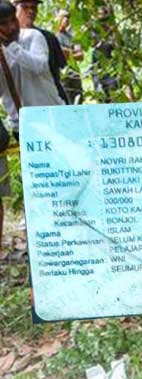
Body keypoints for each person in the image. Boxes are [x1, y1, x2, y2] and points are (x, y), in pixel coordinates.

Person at [0, 0, 64, 252]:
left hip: (52, 116)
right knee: (39, 177)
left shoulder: (33, 36)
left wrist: (10, 46)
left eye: (11, 21)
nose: (9, 27)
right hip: (23, 124)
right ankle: (43, 232)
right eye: (2, 25)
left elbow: (38, 65)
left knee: (63, 173)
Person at [13, 0, 67, 104]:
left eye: (33, 8)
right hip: (20, 106)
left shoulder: (48, 38)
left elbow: (55, 75)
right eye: (25, 7)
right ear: (14, 9)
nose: (30, 11)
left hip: (49, 102)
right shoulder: (6, 42)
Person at [91, 6, 119, 102]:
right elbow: (93, 46)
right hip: (98, 70)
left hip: (111, 70)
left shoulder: (112, 33)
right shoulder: (94, 32)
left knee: (113, 96)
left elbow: (118, 47)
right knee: (102, 98)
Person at [55, 9, 82, 104]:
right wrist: (72, 51)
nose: (65, 20)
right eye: (63, 17)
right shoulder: (53, 36)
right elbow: (59, 52)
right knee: (66, 102)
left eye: (67, 18)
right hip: (61, 74)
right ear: (57, 19)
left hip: (75, 73)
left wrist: (66, 52)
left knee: (78, 100)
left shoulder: (72, 37)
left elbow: (81, 56)